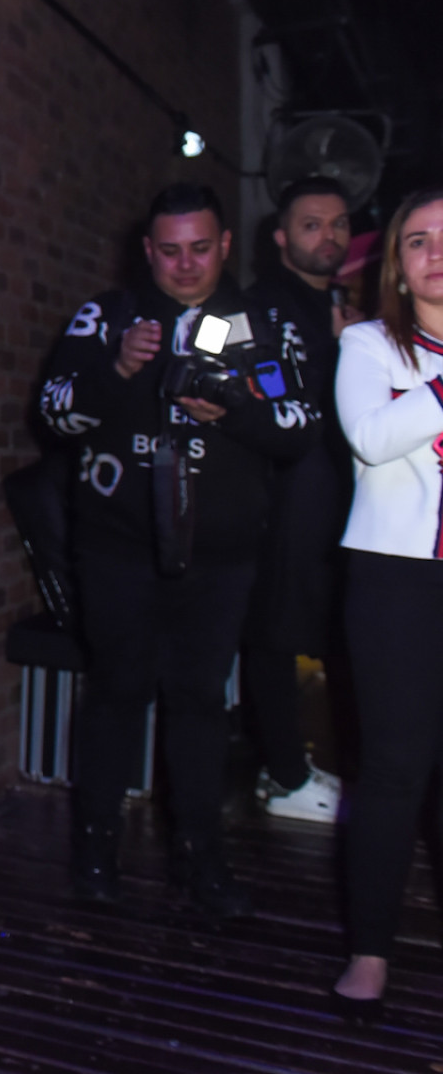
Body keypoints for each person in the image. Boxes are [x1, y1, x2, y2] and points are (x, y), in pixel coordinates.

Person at [38, 183, 320, 917]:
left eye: (201, 248)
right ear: (147, 250)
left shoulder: (261, 321)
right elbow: (53, 416)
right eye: (170, 250)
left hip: (221, 556)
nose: (186, 265)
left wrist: (235, 409)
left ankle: (200, 860)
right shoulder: (110, 316)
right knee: (116, 696)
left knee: (199, 705)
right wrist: (117, 372)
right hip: (118, 550)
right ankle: (96, 856)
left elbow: (299, 427)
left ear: (226, 245)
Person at [327, 187, 443, 1023]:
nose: (435, 253)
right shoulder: (369, 344)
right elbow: (370, 436)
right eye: (418, 241)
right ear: (397, 266)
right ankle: (371, 949)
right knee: (395, 772)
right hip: (396, 581)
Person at [240, 177, 358, 821]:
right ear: (282, 236)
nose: (329, 236)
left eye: (338, 224)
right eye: (313, 224)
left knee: (329, 629)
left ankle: (299, 765)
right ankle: (285, 775)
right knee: (273, 632)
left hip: (335, 495)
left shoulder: (341, 306)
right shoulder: (250, 303)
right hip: (278, 495)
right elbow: (206, 358)